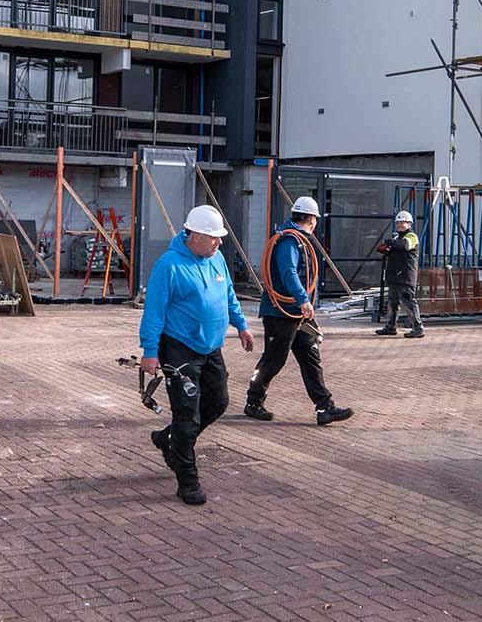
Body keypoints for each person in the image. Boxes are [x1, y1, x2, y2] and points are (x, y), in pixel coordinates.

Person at [138, 203, 254, 505]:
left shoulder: (217, 260)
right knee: (187, 414)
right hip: (179, 348)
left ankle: (169, 439)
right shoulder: (169, 265)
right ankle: (187, 479)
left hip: (211, 346)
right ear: (194, 235)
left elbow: (228, 294)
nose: (219, 242)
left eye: (219, 237)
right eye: (213, 237)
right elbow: (154, 312)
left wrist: (241, 326)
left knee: (218, 402)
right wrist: (150, 352)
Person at [243, 195, 352, 426]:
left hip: (298, 314)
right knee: (274, 359)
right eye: (316, 219)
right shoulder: (289, 241)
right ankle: (253, 401)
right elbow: (289, 272)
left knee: (311, 358)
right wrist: (303, 299)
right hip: (280, 312)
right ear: (312, 219)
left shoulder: (299, 240)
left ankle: (325, 407)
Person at [375, 208, 426, 337]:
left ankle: (418, 329)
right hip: (394, 276)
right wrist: (385, 249)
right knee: (393, 303)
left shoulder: (412, 237)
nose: (399, 225)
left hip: (405, 277)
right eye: (398, 223)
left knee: (409, 303)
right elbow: (392, 249)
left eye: (402, 222)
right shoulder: (397, 237)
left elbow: (404, 246)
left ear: (409, 224)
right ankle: (390, 327)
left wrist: (390, 242)